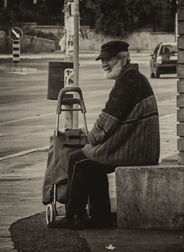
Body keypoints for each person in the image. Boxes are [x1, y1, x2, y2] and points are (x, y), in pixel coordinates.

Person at [49, 40, 160, 229]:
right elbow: (112, 119)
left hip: (136, 150)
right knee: (93, 161)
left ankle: (75, 215)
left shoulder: (127, 81)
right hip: (139, 147)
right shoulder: (132, 78)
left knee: (77, 160)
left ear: (123, 59)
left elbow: (107, 120)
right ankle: (100, 217)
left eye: (108, 59)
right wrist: (93, 144)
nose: (104, 64)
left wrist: (90, 138)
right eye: (102, 60)